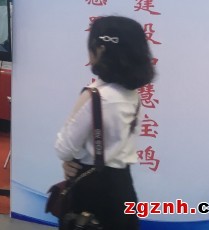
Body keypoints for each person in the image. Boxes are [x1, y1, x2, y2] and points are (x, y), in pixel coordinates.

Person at [55, 16, 155, 229]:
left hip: (92, 191)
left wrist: (68, 160)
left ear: (101, 50)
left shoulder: (95, 97)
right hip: (123, 186)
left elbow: (64, 149)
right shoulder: (132, 95)